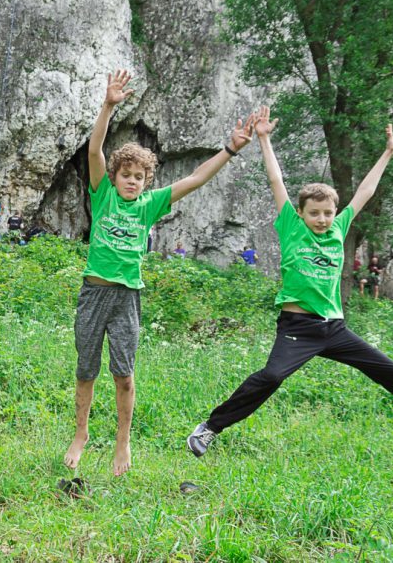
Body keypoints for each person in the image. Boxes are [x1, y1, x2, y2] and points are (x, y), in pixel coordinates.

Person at [186, 109, 393, 458]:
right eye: (315, 213)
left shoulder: (339, 228)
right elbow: (276, 181)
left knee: (391, 371)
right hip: (298, 327)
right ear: (301, 213)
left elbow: (365, 191)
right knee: (271, 377)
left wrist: (387, 154)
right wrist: (264, 139)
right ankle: (209, 428)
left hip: (334, 328)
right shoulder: (291, 228)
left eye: (328, 213)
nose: (323, 219)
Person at [64, 69, 257, 477]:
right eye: (126, 176)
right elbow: (95, 151)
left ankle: (123, 441)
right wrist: (108, 106)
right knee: (86, 370)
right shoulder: (103, 197)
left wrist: (231, 149)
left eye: (139, 177)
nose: (132, 182)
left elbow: (196, 178)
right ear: (114, 178)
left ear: (146, 181)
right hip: (94, 293)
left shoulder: (150, 205)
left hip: (127, 298)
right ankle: (80, 434)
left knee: (124, 375)